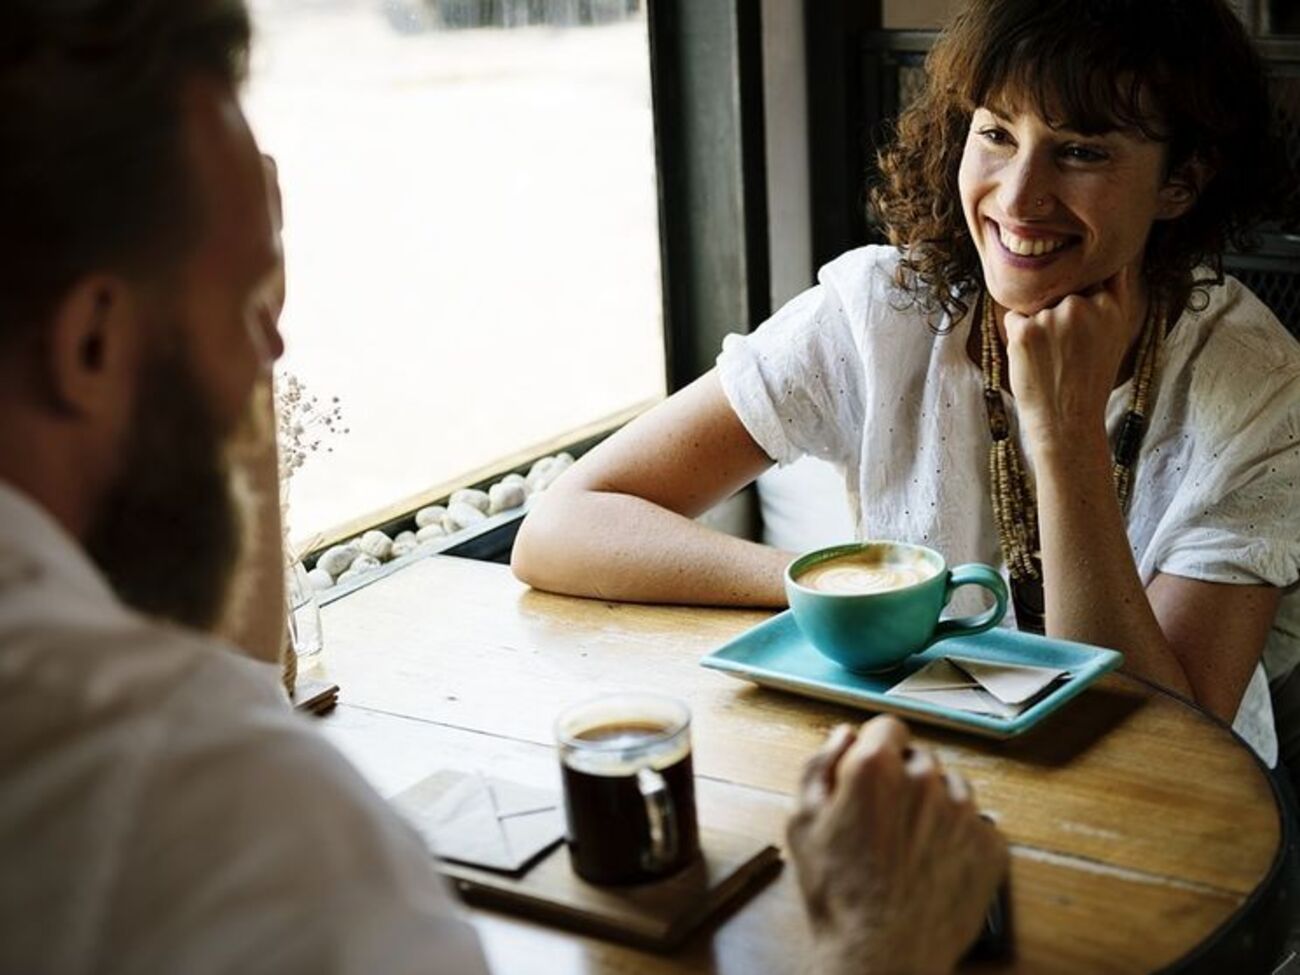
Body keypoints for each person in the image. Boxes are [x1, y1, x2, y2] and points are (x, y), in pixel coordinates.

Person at [0, 2, 1006, 973]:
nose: (274, 359)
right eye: (249, 309)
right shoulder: (234, 822)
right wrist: (878, 947)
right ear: (90, 344)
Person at [512, 0, 1300, 770]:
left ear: (1180, 182)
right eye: (996, 133)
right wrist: (846, 597)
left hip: (1177, 831)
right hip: (917, 769)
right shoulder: (884, 310)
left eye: (1081, 151)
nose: (1019, 197)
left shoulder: (1260, 385)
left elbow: (1167, 751)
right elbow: (563, 528)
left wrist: (1064, 433)